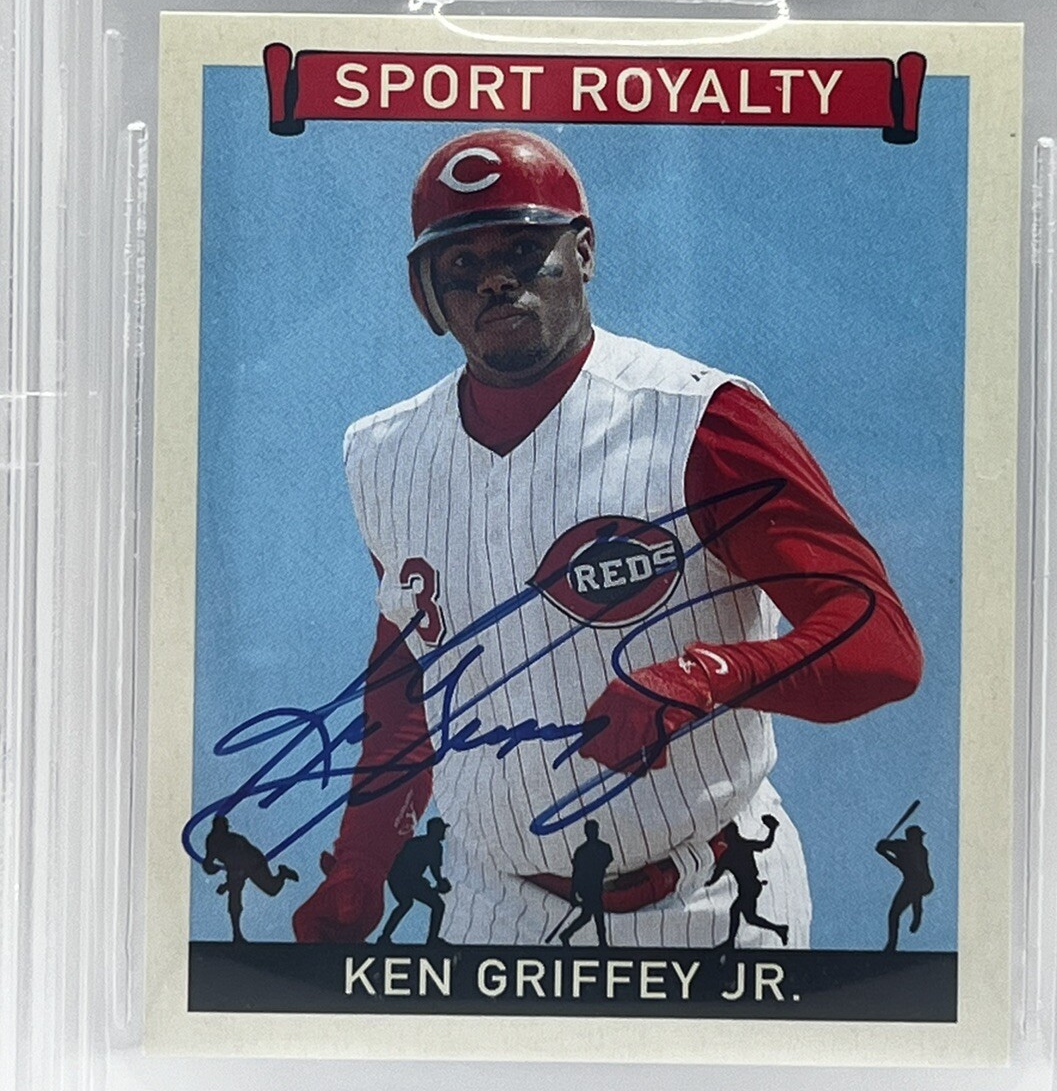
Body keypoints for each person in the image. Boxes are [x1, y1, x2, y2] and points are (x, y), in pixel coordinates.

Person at [293, 128, 922, 948]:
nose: (495, 279)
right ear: (425, 294)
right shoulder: (385, 454)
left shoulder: (701, 421)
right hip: (492, 903)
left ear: (583, 253)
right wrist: (360, 864)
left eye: (524, 249)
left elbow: (882, 646)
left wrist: (710, 676)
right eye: (461, 262)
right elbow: (410, 681)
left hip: (711, 898)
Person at [201, 814, 298, 943]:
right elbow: (213, 862)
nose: (222, 829)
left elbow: (241, 869)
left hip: (254, 863)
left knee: (272, 889)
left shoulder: (235, 842)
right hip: (239, 867)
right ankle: (237, 934)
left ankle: (283, 874)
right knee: (235, 898)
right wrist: (225, 881)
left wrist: (226, 885)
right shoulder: (212, 841)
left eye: (224, 827)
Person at [705, 815, 788, 948]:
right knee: (750, 918)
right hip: (748, 887)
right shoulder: (737, 850)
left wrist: (772, 829)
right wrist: (710, 882)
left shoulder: (735, 851)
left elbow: (766, 844)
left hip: (751, 886)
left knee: (736, 910)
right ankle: (779, 929)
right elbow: (718, 872)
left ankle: (731, 942)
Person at [376, 818, 452, 946]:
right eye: (441, 830)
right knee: (437, 905)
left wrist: (432, 884)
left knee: (405, 903)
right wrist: (439, 883)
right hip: (403, 878)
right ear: (435, 831)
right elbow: (433, 870)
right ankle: (432, 940)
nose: (443, 832)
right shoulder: (433, 846)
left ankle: (385, 937)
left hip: (399, 878)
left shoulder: (418, 843)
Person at [875, 824, 934, 952]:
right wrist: (884, 850)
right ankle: (892, 943)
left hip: (921, 882)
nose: (921, 839)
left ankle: (917, 913)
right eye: (918, 836)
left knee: (913, 890)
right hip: (914, 882)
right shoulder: (906, 847)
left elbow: (899, 860)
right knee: (894, 913)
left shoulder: (916, 849)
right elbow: (898, 862)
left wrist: (884, 849)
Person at [557, 820, 615, 947]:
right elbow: (577, 873)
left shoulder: (602, 848)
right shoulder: (582, 851)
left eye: (593, 830)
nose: (592, 833)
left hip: (596, 885)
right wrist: (574, 892)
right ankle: (602, 942)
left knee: (588, 915)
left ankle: (567, 934)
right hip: (587, 888)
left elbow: (607, 861)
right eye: (590, 830)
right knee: (595, 914)